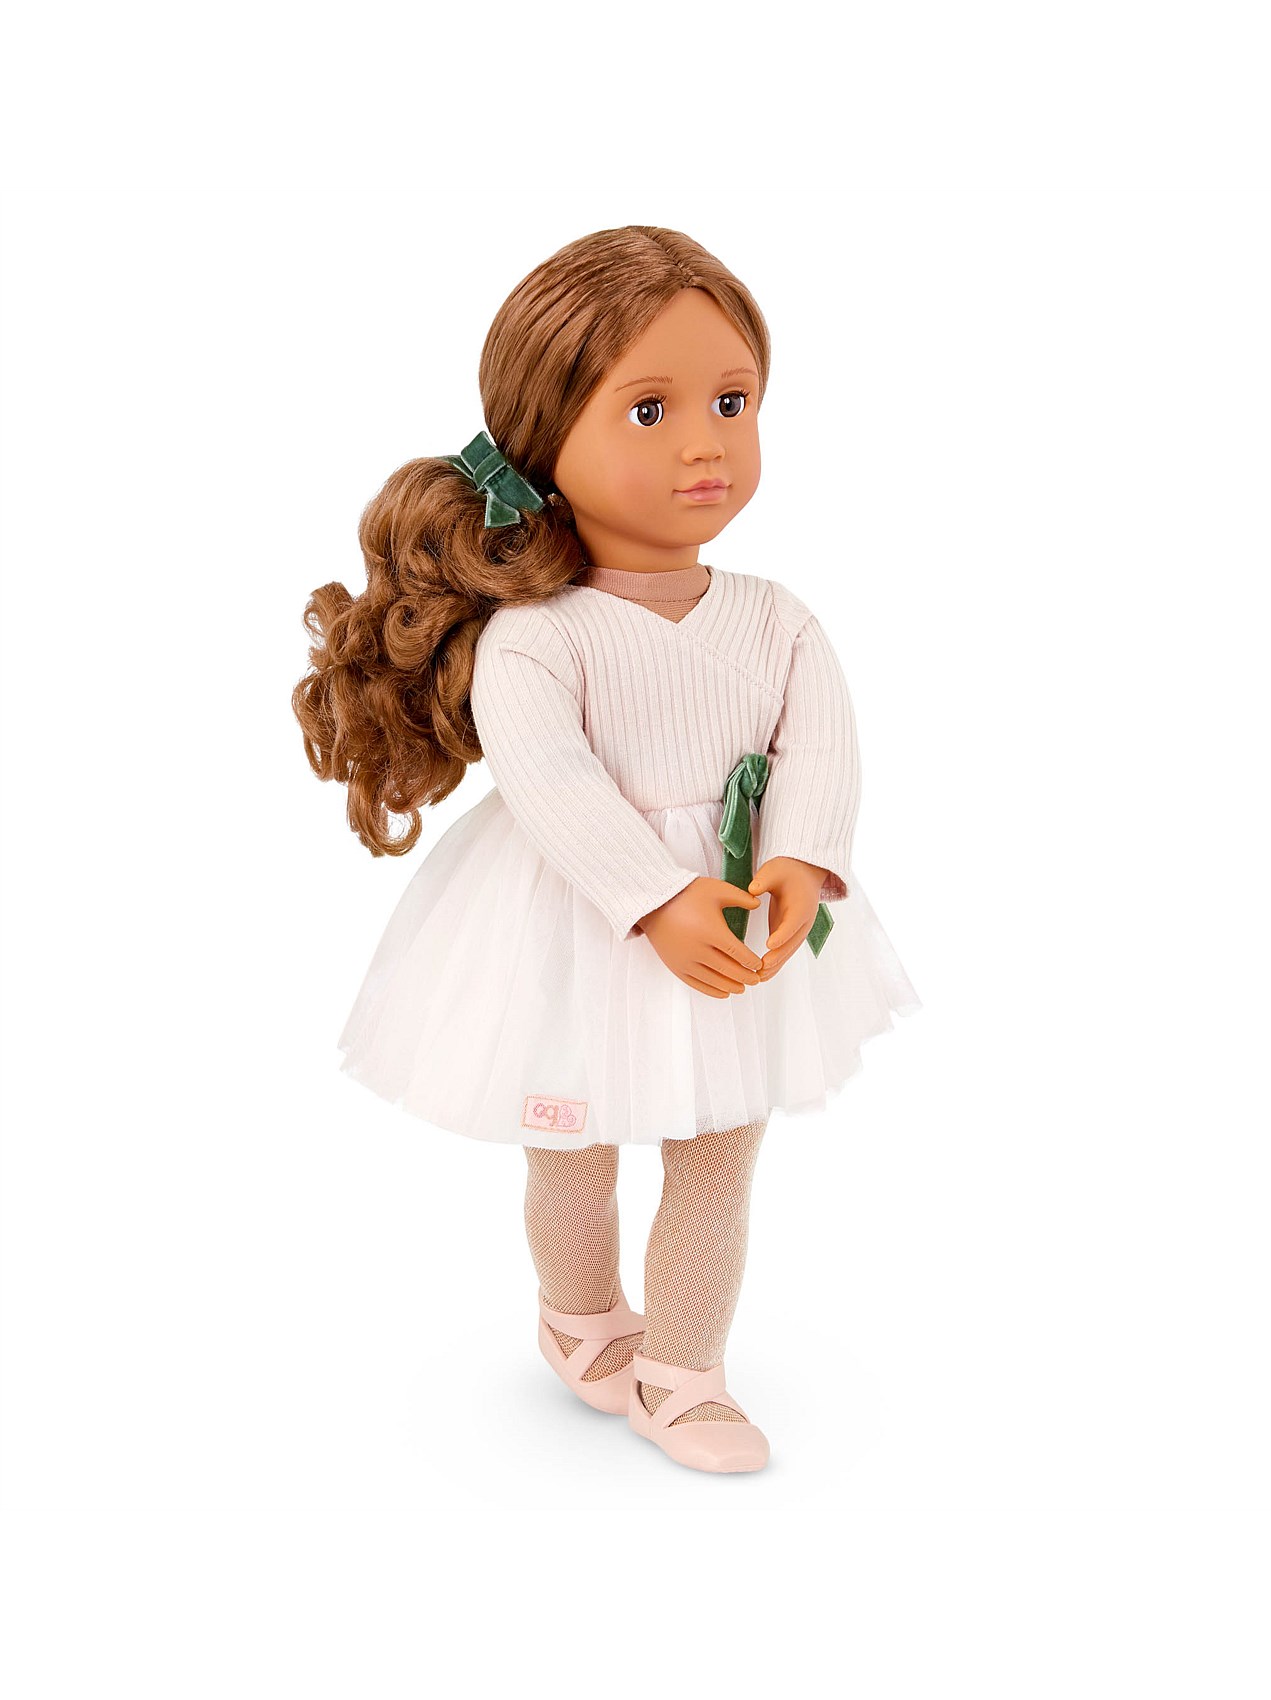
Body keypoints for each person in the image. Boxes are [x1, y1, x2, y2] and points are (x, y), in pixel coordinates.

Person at [292, 226, 921, 1473]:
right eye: (649, 409)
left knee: (718, 1155)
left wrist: (799, 861)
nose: (705, 443)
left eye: (732, 402)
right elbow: (553, 784)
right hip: (577, 924)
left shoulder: (778, 619)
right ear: (541, 442)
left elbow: (822, 750)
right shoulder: (539, 634)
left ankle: (684, 1372)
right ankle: (580, 1314)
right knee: (573, 1149)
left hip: (736, 913)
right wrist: (654, 895)